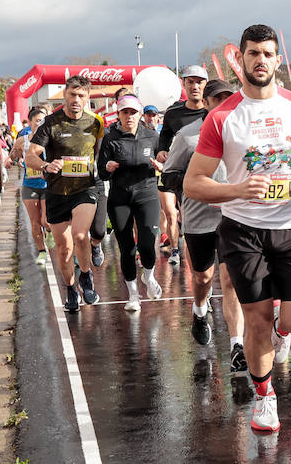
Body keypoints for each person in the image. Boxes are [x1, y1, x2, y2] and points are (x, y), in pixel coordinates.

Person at [184, 25, 291, 432]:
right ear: (241, 59)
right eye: (252, 53)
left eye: (267, 53)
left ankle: (283, 331)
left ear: (276, 59)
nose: (260, 60)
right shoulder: (222, 117)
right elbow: (193, 182)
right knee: (255, 322)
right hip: (243, 230)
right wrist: (237, 189)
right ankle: (265, 396)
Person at [167, 80, 246, 364]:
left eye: (229, 97)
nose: (224, 102)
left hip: (234, 217)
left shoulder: (244, 130)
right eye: (218, 98)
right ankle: (200, 311)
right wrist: (199, 185)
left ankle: (237, 346)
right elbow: (169, 175)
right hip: (199, 217)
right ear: (208, 102)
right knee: (203, 278)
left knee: (230, 281)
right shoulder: (188, 136)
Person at [27, 77, 106, 312]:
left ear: (87, 98)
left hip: (85, 188)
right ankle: (71, 288)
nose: (76, 100)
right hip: (56, 191)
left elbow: (101, 154)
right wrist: (45, 165)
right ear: (65, 95)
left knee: (81, 235)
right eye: (72, 95)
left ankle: (86, 275)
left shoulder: (95, 123)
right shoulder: (51, 123)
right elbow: (31, 155)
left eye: (81, 96)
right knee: (63, 248)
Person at [97, 95, 164, 311]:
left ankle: (149, 277)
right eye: (125, 112)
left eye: (133, 112)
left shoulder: (152, 136)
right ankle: (133, 294)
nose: (129, 117)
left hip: (147, 194)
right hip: (120, 197)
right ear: (118, 115)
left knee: (147, 243)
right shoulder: (110, 138)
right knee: (127, 247)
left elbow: (166, 163)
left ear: (140, 114)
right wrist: (107, 168)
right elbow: (101, 172)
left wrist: (162, 167)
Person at [157, 65, 211, 266]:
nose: (195, 86)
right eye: (190, 82)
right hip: (186, 177)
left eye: (199, 82)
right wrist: (161, 150)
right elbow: (165, 133)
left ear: (206, 85)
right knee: (188, 221)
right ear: (184, 84)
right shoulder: (174, 113)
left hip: (215, 174)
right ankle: (195, 266)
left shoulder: (214, 110)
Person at [11, 107, 51, 264]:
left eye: (44, 121)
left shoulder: (50, 139)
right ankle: (41, 251)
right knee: (35, 221)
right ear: (30, 123)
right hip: (30, 184)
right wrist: (13, 157)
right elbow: (13, 156)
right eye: (38, 121)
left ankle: (49, 230)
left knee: (46, 220)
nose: (41, 124)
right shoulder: (23, 140)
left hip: (48, 185)